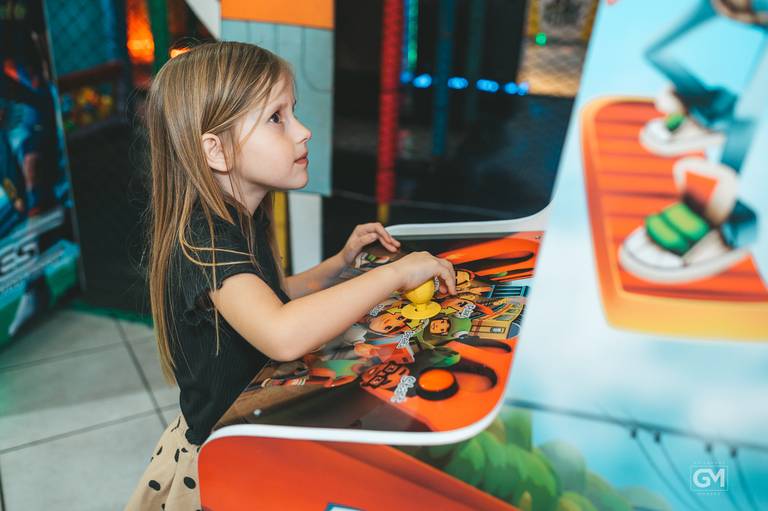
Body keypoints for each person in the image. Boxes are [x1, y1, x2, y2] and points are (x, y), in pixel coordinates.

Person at [125, 41, 456, 510]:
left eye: (293, 111)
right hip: (222, 463)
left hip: (255, 434)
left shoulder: (243, 216)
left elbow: (275, 297)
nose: (303, 131)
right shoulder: (203, 241)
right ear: (216, 150)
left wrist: (340, 264)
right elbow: (282, 333)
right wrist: (396, 274)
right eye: (276, 118)